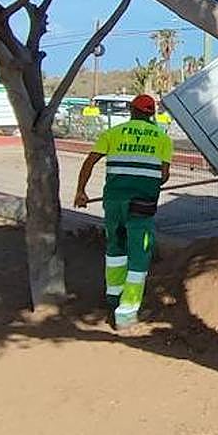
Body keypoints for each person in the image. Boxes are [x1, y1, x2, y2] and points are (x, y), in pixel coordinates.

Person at [74, 93, 173, 329]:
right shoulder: (162, 138)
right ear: (152, 114)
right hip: (142, 204)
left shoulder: (113, 133)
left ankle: (113, 297)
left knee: (115, 248)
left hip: (114, 202)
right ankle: (127, 311)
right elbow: (164, 175)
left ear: (132, 111)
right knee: (139, 254)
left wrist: (81, 191)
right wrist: (147, 182)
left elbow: (89, 161)